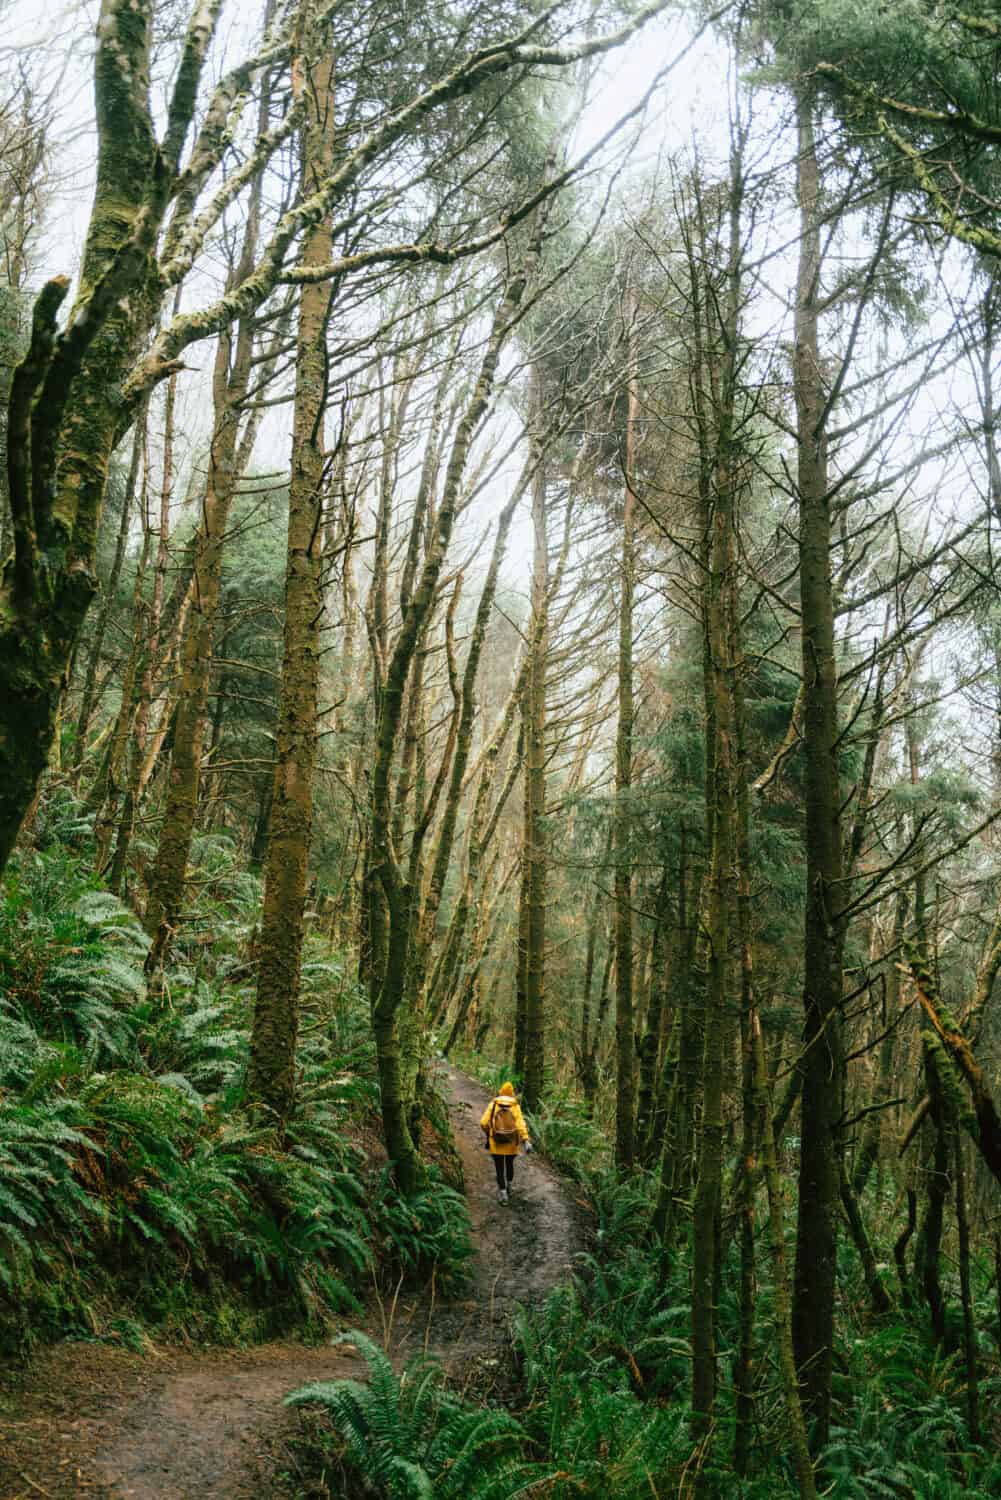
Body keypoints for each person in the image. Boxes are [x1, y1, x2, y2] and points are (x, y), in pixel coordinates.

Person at [479, 1081, 532, 1204]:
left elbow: (483, 1122)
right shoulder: (515, 1106)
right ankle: (509, 1186)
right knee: (509, 1164)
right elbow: (520, 1124)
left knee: (499, 1168)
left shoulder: (494, 1104)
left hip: (496, 1141)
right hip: (511, 1142)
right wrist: (525, 1139)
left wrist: (489, 1133)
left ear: (501, 1091)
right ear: (512, 1093)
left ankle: (503, 1196)